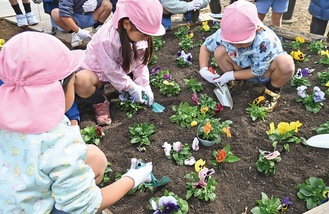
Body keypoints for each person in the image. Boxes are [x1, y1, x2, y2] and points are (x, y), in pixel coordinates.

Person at [0, 31, 153, 213]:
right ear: (59, 90)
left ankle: (70, 187)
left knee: (94, 156)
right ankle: (71, 193)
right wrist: (134, 178)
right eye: (73, 82)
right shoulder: (59, 142)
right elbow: (89, 205)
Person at [74, 0, 166, 125]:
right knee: (81, 81)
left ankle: (119, 87)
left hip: (119, 70)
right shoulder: (107, 39)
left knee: (127, 80)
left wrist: (144, 85)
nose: (146, 38)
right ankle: (99, 100)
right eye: (143, 35)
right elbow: (110, 69)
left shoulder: (138, 35)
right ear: (127, 24)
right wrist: (131, 87)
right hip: (98, 72)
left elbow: (140, 63)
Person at [198, 0, 295, 112]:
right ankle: (236, 81)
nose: (237, 46)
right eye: (232, 42)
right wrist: (203, 69)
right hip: (240, 66)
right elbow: (205, 47)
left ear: (257, 28)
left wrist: (230, 75)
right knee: (219, 51)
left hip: (265, 72)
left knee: (286, 63)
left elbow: (256, 72)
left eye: (243, 42)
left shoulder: (264, 41)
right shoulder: (223, 34)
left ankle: (272, 91)